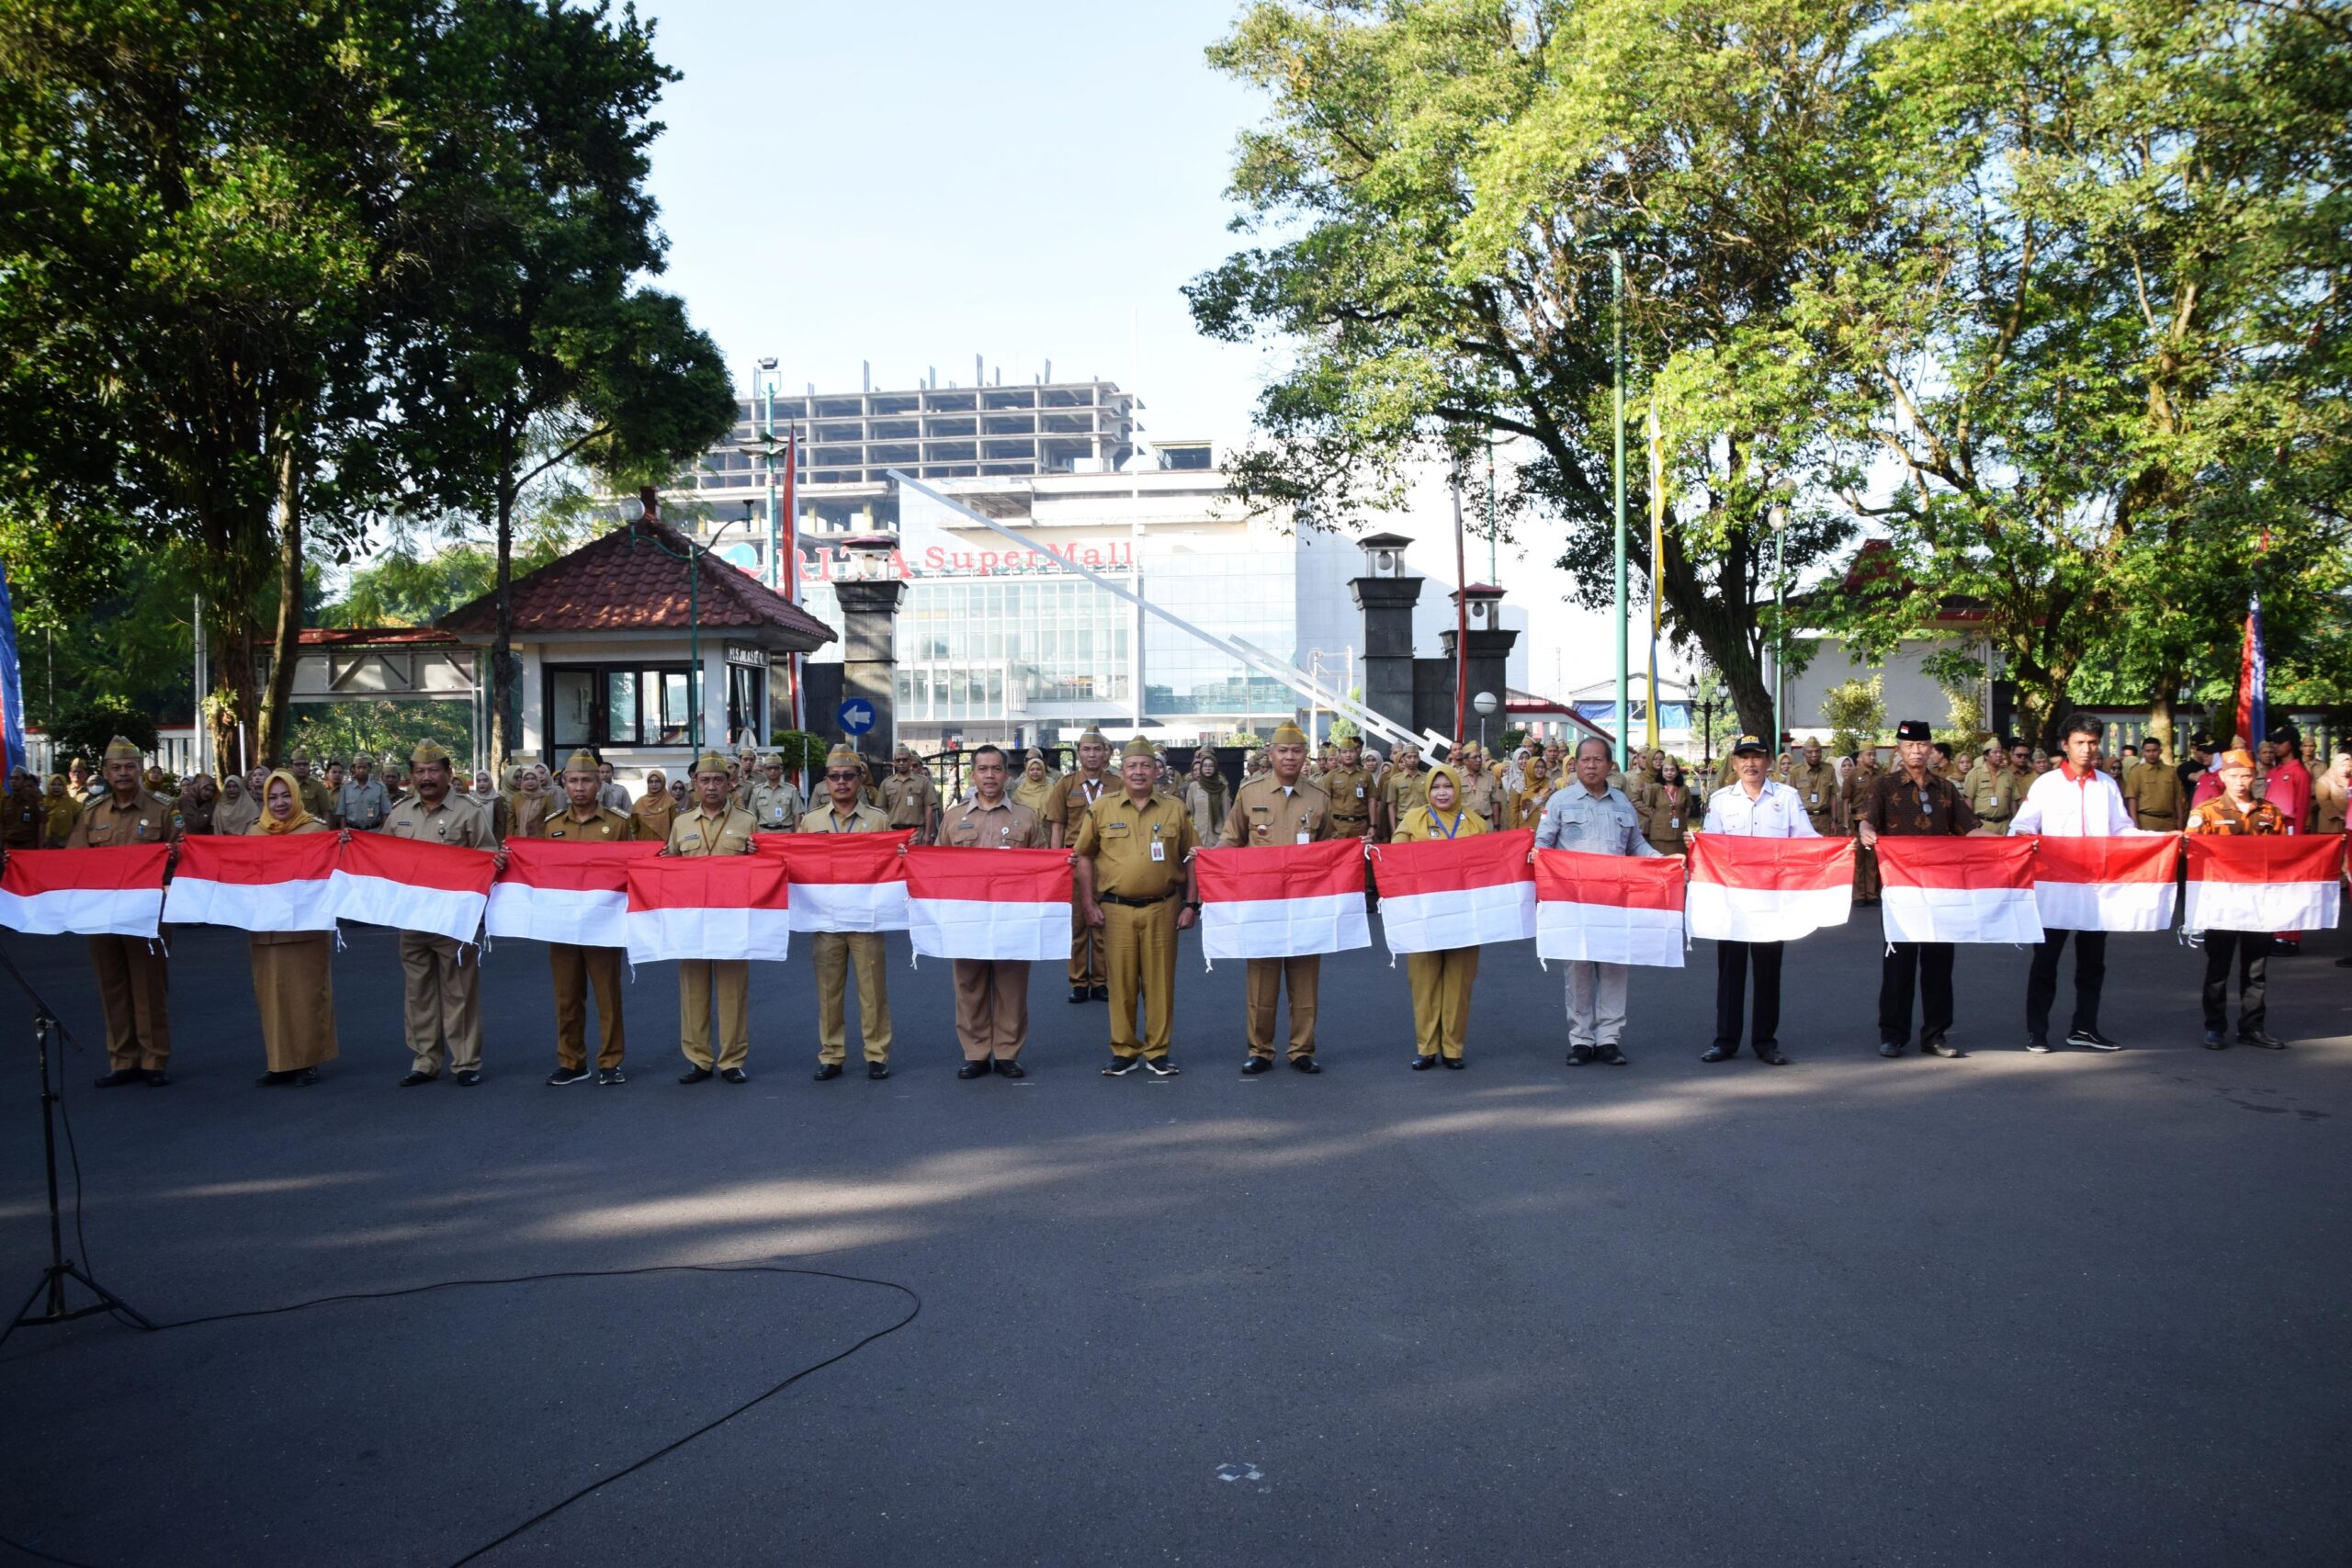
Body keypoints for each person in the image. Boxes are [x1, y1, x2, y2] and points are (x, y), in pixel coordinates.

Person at [2009, 712, 2143, 1053]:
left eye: (2093, 742)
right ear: (2066, 745)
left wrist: (2156, 840)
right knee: (2046, 962)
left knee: (2092, 964)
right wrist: (2025, 837)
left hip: (2096, 888)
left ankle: (2084, 1028)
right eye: (2080, 742)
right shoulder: (2047, 784)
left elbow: (2121, 829)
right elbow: (2021, 826)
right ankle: (2037, 1031)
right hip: (2054, 887)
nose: (2087, 749)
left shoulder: (2107, 785)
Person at [1074, 738, 1200, 1077]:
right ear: (1122, 770)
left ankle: (1158, 1052)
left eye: (1146, 765)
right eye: (1132, 766)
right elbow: (1084, 855)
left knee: (1160, 983)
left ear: (1157, 771)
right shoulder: (1102, 808)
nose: (1139, 772)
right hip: (1116, 910)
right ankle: (1124, 1050)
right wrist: (1088, 903)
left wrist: (1192, 903)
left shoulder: (1174, 808)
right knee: (1121, 983)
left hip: (1163, 907)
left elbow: (1193, 857)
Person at [1534, 738, 1662, 1066]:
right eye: (1585, 760)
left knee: (1614, 968)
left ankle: (1608, 1039)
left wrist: (1664, 862)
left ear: (1609, 765)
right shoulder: (1560, 801)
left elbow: (1637, 846)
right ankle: (1580, 1040)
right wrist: (1540, 861)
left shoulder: (1622, 802)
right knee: (1577, 970)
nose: (1591, 765)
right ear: (1575, 764)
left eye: (1597, 760)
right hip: (1574, 902)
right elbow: (1543, 844)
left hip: (1613, 902)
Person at [1860, 720, 1983, 1058]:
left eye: (1922, 745)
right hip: (1901, 890)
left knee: (1939, 965)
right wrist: (1865, 830)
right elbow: (1867, 818)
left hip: (1941, 890)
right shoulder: (1884, 786)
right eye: (1909, 745)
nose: (1916, 751)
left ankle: (1936, 1035)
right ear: (1899, 750)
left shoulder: (1945, 788)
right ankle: (1892, 1034)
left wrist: (2011, 844)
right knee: (1898, 965)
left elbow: (1970, 830)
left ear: (1930, 748)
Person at [380, 739, 499, 1087]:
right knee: (418, 993)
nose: (427, 777)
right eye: (420, 772)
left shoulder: (468, 811)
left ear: (448, 773)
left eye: (433, 771)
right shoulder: (400, 813)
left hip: (454, 921)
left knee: (459, 991)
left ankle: (465, 1062)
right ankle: (425, 1060)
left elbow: (487, 857)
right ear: (412, 776)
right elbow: (382, 856)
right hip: (413, 920)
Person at [64, 738, 181, 1087]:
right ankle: (123, 1061)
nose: (123, 773)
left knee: (149, 988)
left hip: (147, 914)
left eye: (130, 766)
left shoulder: (163, 808)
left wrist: (174, 855)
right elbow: (73, 859)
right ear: (105, 772)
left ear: (140, 769)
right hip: (103, 915)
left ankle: (153, 1060)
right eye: (116, 768)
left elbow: (185, 852)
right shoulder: (92, 812)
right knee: (112, 986)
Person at [1218, 719, 1332, 1073]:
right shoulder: (1250, 793)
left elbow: (1329, 848)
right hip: (1263, 904)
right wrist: (1207, 859)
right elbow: (1231, 839)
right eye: (1283, 750)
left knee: (1304, 981)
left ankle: (1302, 1050)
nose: (1289, 757)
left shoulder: (1319, 797)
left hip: (1304, 905)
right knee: (1261, 982)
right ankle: (1260, 1050)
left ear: (1305, 755)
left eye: (1296, 751)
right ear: (1271, 754)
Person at [1699, 735, 1814, 1066]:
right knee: (1730, 974)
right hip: (1733, 901)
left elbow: (1806, 841)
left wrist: (1837, 849)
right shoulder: (1721, 800)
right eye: (1744, 757)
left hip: (1771, 902)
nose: (1750, 763)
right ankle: (1725, 1041)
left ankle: (1765, 1042)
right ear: (1734, 763)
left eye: (1757, 757)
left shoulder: (1787, 798)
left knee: (1767, 974)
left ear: (1769, 762)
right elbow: (1712, 847)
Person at [936, 744, 1050, 1077]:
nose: (990, 776)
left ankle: (1006, 1053)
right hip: (968, 917)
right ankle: (975, 1053)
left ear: (1006, 774)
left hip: (1012, 917)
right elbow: (938, 865)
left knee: (1011, 986)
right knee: (969, 986)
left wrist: (1062, 864)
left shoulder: (1025, 817)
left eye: (996, 769)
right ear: (973, 775)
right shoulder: (954, 817)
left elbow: (1042, 865)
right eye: (983, 769)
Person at [537, 750, 639, 1087]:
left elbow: (632, 868)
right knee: (567, 996)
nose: (579, 787)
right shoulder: (552, 825)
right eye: (573, 781)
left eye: (586, 781)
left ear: (599, 784)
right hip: (563, 924)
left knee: (607, 995)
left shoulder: (618, 823)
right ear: (564, 785)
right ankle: (571, 1061)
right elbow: (540, 869)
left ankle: (610, 1061)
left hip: (603, 923)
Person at [1385, 761, 1498, 1070]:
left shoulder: (1476, 823)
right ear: (1428, 791)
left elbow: (1489, 867)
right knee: (1424, 982)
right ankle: (1426, 1048)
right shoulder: (1413, 819)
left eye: (1448, 786)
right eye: (1436, 787)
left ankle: (1452, 1048)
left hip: (1464, 918)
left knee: (1459, 983)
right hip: (1423, 916)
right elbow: (1396, 862)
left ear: (1457, 789)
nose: (1442, 792)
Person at [797, 745, 896, 1081]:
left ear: (859, 779)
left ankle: (876, 1054)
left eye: (848, 776)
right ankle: (832, 1055)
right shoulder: (811, 822)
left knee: (873, 991)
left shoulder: (878, 820)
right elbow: (796, 864)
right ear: (826, 782)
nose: (841, 782)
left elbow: (891, 865)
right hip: (826, 919)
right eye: (834, 776)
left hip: (866, 919)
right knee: (828, 992)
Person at [2185, 750, 2288, 1049]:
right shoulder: (2207, 812)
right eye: (2233, 775)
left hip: (2259, 901)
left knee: (2256, 969)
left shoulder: (2270, 812)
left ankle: (2253, 1027)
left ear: (2255, 776)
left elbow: (2285, 853)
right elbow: (2190, 852)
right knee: (2218, 967)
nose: (2240, 782)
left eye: (2246, 775)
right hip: (2221, 901)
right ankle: (2214, 1027)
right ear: (2222, 776)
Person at [667, 750, 757, 1085]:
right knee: (693, 990)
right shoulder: (681, 823)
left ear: (730, 783)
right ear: (694, 784)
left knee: (733, 991)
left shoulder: (747, 821)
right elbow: (668, 867)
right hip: (692, 919)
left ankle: (732, 1060)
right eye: (704, 780)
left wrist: (759, 854)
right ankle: (698, 1059)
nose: (711, 786)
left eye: (718, 780)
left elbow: (763, 868)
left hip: (732, 918)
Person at [246, 769, 338, 1085]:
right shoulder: (254, 833)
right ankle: (279, 1062)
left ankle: (307, 1062)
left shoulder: (315, 830)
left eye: (286, 795)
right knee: (272, 998)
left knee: (306, 996)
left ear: (297, 797)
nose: (280, 803)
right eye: (273, 797)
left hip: (305, 930)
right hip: (267, 931)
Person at [1046, 728, 1115, 1002]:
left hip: (1108, 862)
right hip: (1074, 863)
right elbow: (1058, 826)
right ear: (1079, 753)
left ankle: (1100, 981)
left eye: (1097, 749)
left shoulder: (1118, 784)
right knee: (1076, 925)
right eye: (1086, 749)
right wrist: (1057, 862)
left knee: (1103, 924)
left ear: (1105, 753)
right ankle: (1078, 981)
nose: (1092, 754)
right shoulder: (1065, 785)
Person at [1843, 750, 1883, 903]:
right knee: (1858, 858)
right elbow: (1846, 800)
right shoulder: (1853, 776)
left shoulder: (1881, 775)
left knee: (1873, 857)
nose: (1872, 757)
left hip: (1874, 820)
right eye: (1868, 755)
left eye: (1874, 754)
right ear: (1859, 758)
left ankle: (1872, 894)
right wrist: (1846, 824)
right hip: (1856, 819)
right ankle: (1859, 894)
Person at [1635, 753, 1693, 855]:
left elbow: (1688, 807)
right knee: (1660, 860)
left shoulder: (1684, 789)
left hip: (1679, 833)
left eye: (1672, 770)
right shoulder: (1655, 787)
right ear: (1661, 772)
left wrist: (1682, 819)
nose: (1669, 773)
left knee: (1678, 860)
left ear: (1677, 772)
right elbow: (1649, 807)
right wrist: (1657, 819)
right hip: (1659, 834)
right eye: (1665, 770)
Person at [1320, 735, 1374, 841]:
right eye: (1344, 752)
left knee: (1361, 851)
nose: (1348, 755)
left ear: (1357, 753)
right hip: (1338, 827)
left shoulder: (1366, 775)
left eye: (1351, 751)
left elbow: (1371, 800)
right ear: (1339, 754)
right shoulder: (1332, 776)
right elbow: (1324, 802)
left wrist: (1373, 825)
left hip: (1361, 826)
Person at [1963, 739, 2023, 834]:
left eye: (2000, 752)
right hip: (1982, 825)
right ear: (1986, 756)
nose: (1999, 755)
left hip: (2004, 825)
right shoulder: (1975, 774)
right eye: (1995, 752)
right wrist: (1971, 826)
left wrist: (2015, 824)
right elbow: (1968, 801)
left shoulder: (2008, 774)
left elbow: (2013, 801)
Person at [883, 745, 940, 844]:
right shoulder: (886, 783)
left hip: (917, 833)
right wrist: (884, 834)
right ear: (894, 762)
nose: (901, 763)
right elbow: (882, 810)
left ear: (910, 761)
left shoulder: (923, 782)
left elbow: (929, 808)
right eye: (898, 760)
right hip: (893, 832)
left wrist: (928, 833)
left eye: (904, 760)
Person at [1786, 739, 1841, 837]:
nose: (1814, 755)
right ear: (1803, 754)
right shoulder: (1795, 772)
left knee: (1825, 846)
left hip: (1824, 820)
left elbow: (1833, 796)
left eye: (1817, 751)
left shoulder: (1829, 769)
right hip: (1803, 819)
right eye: (1810, 752)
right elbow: (1788, 799)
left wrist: (1834, 820)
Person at [1376, 741, 1428, 841]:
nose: (1412, 760)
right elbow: (1392, 806)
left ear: (1419, 758)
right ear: (1403, 759)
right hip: (1403, 824)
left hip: (1423, 823)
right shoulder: (1395, 780)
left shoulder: (1427, 778)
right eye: (1409, 757)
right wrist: (1394, 830)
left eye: (1415, 757)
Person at [746, 752, 805, 837]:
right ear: (764, 769)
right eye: (769, 768)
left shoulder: (791, 790)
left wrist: (797, 836)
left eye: (776, 768)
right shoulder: (757, 790)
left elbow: (797, 815)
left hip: (785, 833)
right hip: (763, 834)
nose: (773, 771)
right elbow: (752, 815)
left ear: (781, 769)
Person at [1179, 747, 1227, 841]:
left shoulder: (1222, 788)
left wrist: (1225, 837)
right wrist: (1191, 831)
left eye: (1211, 766)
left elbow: (1226, 814)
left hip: (1217, 836)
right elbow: (1189, 813)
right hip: (1198, 834)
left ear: (1215, 768)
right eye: (1205, 766)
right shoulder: (1193, 786)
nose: (1208, 768)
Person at [337, 753, 390, 831]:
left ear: (369, 769)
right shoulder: (346, 788)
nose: (361, 770)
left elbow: (385, 813)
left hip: (374, 832)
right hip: (352, 832)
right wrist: (343, 831)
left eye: (364, 767)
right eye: (358, 767)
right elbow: (342, 814)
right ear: (354, 769)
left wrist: (384, 832)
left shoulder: (380, 788)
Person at [630, 767, 676, 842]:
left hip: (665, 845)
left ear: (663, 782)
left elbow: (676, 826)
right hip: (643, 845)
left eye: (657, 781)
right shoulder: (640, 802)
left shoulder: (670, 802)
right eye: (650, 782)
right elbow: (634, 827)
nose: (654, 784)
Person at [1012, 750, 1057, 816]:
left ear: (1043, 770)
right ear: (1027, 771)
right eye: (1032, 769)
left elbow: (1057, 810)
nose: (1035, 772)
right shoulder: (1019, 791)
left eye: (1038, 769)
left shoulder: (1051, 789)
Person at [289, 754, 334, 821]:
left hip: (312, 825)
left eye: (305, 764)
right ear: (291, 767)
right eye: (297, 764)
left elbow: (326, 811)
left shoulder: (318, 786)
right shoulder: (286, 785)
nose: (302, 767)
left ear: (309, 766)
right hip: (290, 825)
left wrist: (326, 827)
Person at [43, 773, 81, 846]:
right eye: (53, 784)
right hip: (46, 844)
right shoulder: (43, 803)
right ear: (48, 786)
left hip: (66, 843)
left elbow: (81, 822)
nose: (56, 787)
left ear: (64, 787)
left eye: (60, 785)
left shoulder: (71, 803)